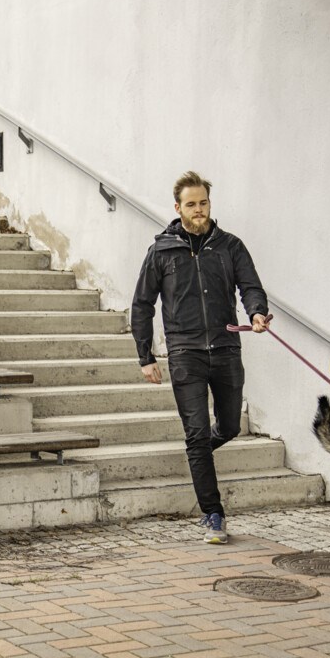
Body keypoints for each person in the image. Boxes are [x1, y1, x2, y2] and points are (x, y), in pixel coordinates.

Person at [131, 171, 271, 545]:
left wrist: (257, 311)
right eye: (191, 204)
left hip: (225, 348)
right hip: (185, 353)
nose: (198, 210)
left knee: (228, 427)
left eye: (203, 203)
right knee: (196, 434)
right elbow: (142, 305)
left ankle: (198, 456)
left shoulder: (230, 246)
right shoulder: (161, 251)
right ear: (178, 208)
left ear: (210, 204)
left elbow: (250, 285)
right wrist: (146, 356)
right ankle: (213, 514)